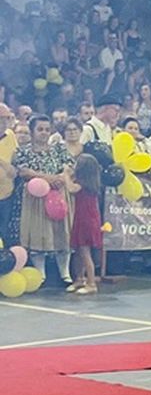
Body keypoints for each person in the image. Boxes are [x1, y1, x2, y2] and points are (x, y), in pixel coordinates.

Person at [14, 115, 74, 285]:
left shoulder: (59, 149)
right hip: (35, 199)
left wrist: (61, 177)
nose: (44, 133)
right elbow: (24, 172)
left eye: (47, 129)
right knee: (37, 235)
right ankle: (40, 274)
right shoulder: (23, 151)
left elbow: (70, 166)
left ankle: (65, 273)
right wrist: (48, 178)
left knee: (62, 233)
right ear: (32, 131)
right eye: (40, 129)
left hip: (58, 196)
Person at [64, 154, 103, 294]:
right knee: (78, 251)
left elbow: (71, 189)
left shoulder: (83, 184)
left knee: (85, 252)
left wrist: (66, 175)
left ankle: (91, 283)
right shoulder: (89, 182)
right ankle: (79, 279)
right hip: (81, 218)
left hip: (86, 220)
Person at [0, 105, 17, 247]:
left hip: (6, 194)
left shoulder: (11, 135)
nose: (4, 123)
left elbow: (15, 159)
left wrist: (13, 169)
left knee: (4, 233)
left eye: (7, 119)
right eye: (1, 119)